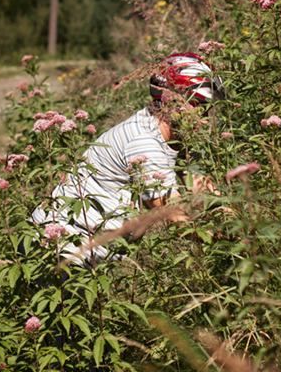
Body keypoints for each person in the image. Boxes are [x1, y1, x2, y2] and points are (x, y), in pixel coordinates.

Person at [31, 52, 223, 265]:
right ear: (172, 100)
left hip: (89, 248)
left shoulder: (171, 132)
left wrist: (230, 215)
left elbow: (199, 183)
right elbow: (174, 215)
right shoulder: (145, 143)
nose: (205, 120)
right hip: (62, 245)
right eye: (199, 107)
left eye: (208, 110)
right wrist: (222, 240)